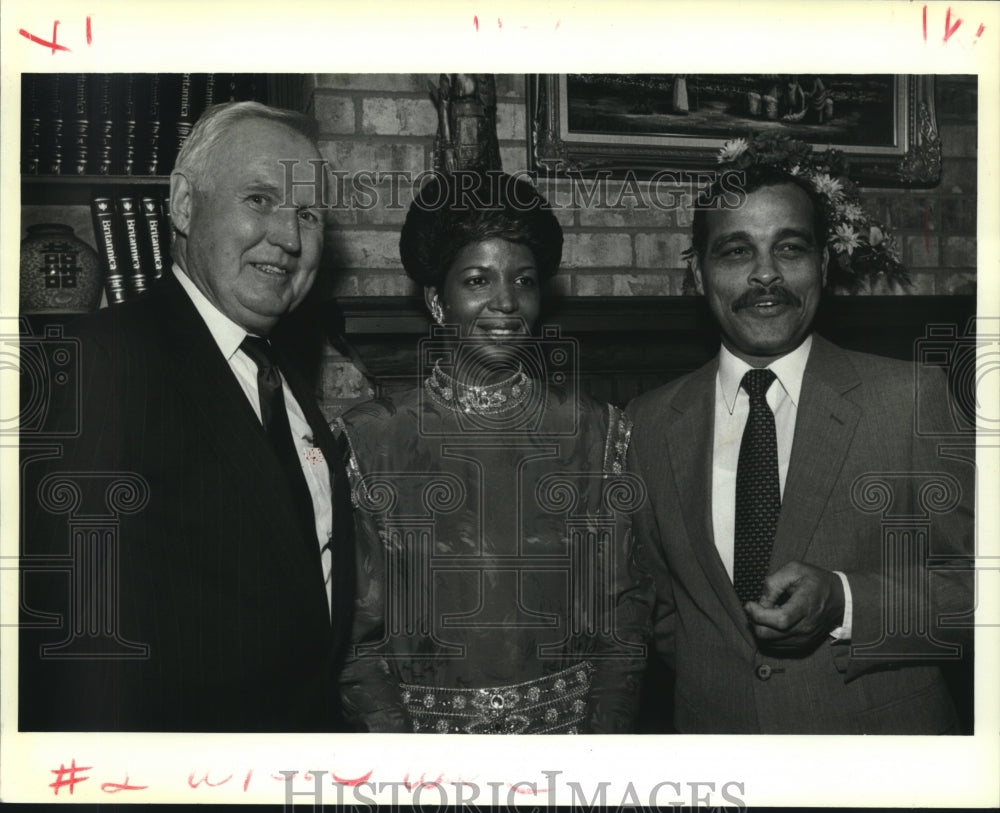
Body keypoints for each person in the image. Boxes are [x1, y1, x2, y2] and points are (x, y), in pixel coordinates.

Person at [19, 101, 355, 732]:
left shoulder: (281, 381)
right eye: (259, 199)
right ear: (181, 205)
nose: (289, 237)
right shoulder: (92, 368)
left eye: (308, 214)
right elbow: (65, 653)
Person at [627, 165, 974, 734]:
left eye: (789, 248)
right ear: (697, 273)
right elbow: (662, 612)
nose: (766, 274)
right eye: (737, 251)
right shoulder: (649, 422)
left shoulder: (910, 399)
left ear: (824, 264)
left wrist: (845, 601)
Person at [337, 171, 646, 734]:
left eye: (524, 281)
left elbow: (621, 621)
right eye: (478, 280)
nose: (506, 301)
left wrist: (599, 754)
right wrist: (408, 773)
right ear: (437, 300)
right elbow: (356, 639)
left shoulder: (594, 433)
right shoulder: (373, 437)